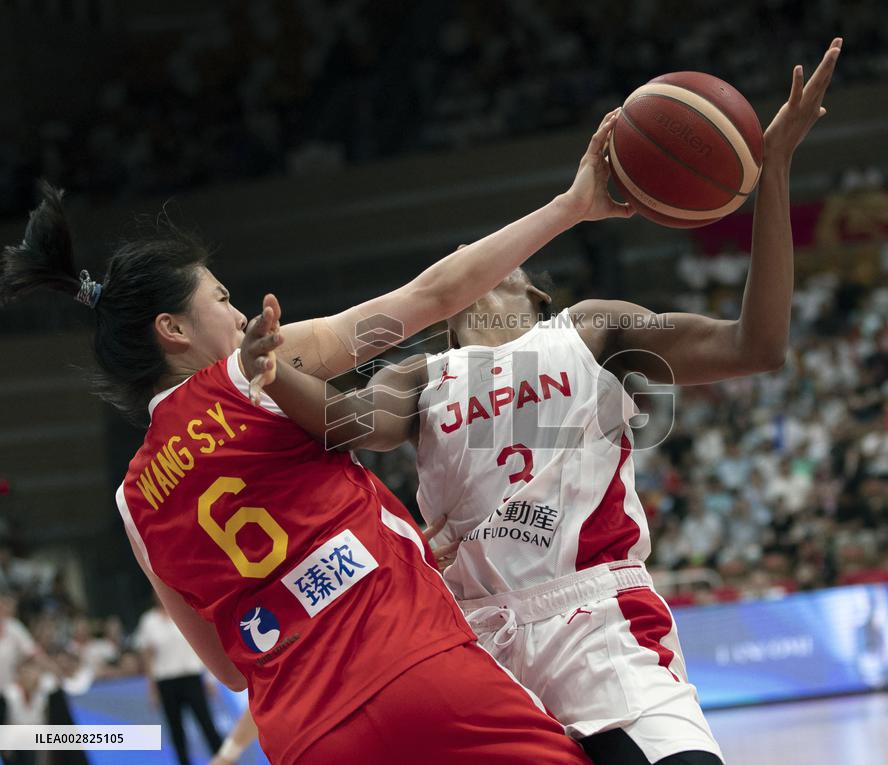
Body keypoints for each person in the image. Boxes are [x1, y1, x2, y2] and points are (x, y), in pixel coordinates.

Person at [0, 110, 629, 764]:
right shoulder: (252, 371)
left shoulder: (132, 501)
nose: (239, 314)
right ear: (174, 329)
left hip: (305, 738)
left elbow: (231, 669)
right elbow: (433, 295)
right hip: (417, 668)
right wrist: (570, 206)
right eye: (221, 297)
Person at [317, 39, 843, 765]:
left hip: (602, 626)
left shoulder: (588, 330)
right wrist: (258, 370)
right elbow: (332, 422)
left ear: (535, 293)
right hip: (479, 654)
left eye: (502, 260)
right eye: (467, 260)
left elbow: (756, 346)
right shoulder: (419, 378)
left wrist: (776, 167)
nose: (482, 264)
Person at [136, 597, 223, 765]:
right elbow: (148, 657)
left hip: (191, 677)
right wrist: (152, 689)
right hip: (166, 681)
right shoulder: (149, 621)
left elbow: (203, 645)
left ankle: (224, 760)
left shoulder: (186, 611)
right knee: (176, 730)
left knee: (207, 724)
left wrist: (210, 677)